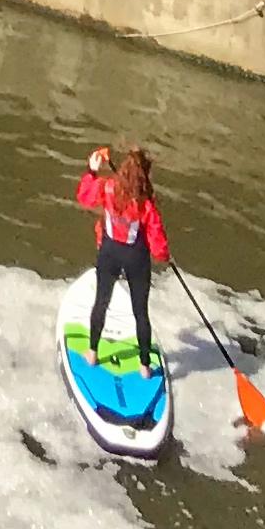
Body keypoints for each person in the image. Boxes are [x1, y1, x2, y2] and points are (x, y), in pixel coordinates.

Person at [74, 144, 170, 366]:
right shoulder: (145, 204)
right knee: (140, 313)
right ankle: (144, 365)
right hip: (136, 258)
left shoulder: (107, 187)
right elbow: (157, 243)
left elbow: (85, 196)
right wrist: (165, 255)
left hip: (109, 253)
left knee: (101, 302)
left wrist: (91, 171)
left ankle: (92, 352)